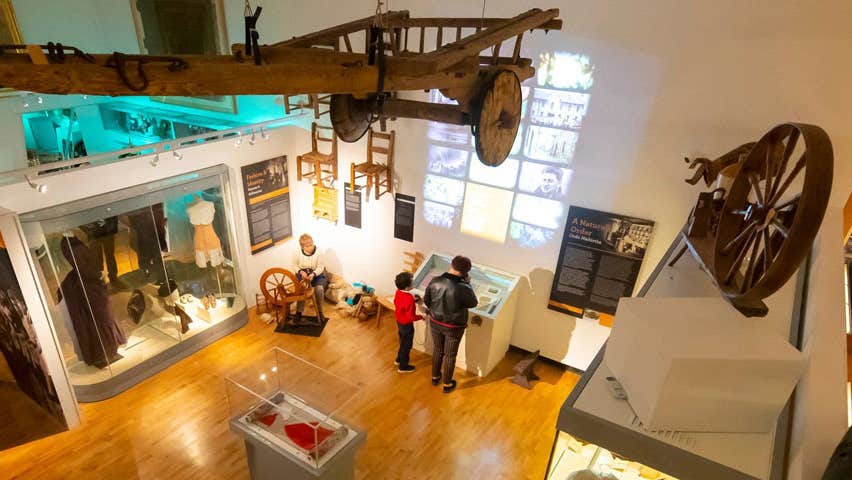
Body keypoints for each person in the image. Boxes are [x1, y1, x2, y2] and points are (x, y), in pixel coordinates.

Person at [423, 255, 478, 393]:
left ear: (452, 265)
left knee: (437, 349)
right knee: (450, 355)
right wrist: (468, 284)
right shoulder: (463, 287)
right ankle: (447, 384)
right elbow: (473, 303)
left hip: (435, 322)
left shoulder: (435, 280)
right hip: (453, 327)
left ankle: (435, 377)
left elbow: (427, 301)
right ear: (465, 272)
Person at [393, 271, 423, 374]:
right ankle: (403, 366)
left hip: (399, 322)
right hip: (407, 325)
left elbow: (400, 304)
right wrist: (422, 316)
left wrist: (413, 301)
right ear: (406, 287)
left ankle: (398, 359)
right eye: (412, 282)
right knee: (407, 345)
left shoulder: (398, 292)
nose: (413, 284)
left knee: (403, 342)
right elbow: (411, 317)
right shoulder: (409, 298)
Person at [293, 234, 328, 322]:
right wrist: (301, 272)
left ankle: (320, 311)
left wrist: (313, 274)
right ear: (302, 247)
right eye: (307, 246)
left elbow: (320, 267)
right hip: (302, 275)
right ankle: (299, 312)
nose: (310, 247)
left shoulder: (319, 252)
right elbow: (294, 265)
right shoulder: (297, 252)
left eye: (311, 244)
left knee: (319, 289)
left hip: (316, 275)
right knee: (302, 288)